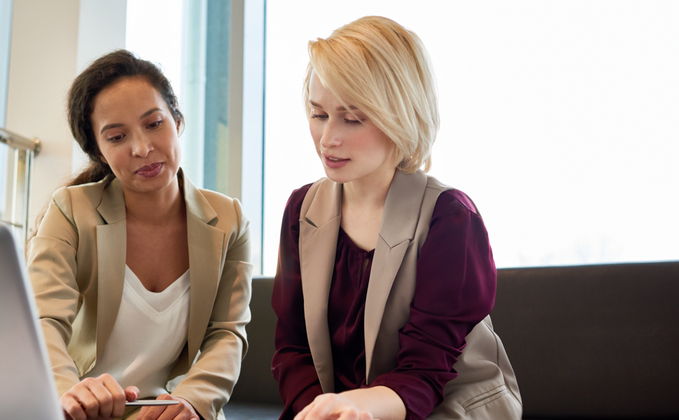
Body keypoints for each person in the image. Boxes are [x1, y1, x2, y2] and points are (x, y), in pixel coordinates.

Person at [271, 16, 522, 420]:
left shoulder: (451, 218)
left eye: (351, 118)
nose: (327, 138)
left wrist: (355, 407)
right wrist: (320, 412)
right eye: (319, 114)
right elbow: (293, 349)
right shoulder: (301, 211)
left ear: (400, 117)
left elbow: (424, 372)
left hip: (442, 407)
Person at [27, 50, 252, 420]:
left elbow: (227, 333)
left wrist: (193, 401)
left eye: (154, 124)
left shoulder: (230, 219)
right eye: (117, 137)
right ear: (98, 151)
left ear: (177, 121)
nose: (142, 149)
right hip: (87, 410)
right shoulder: (70, 211)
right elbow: (43, 320)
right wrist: (69, 394)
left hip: (176, 413)